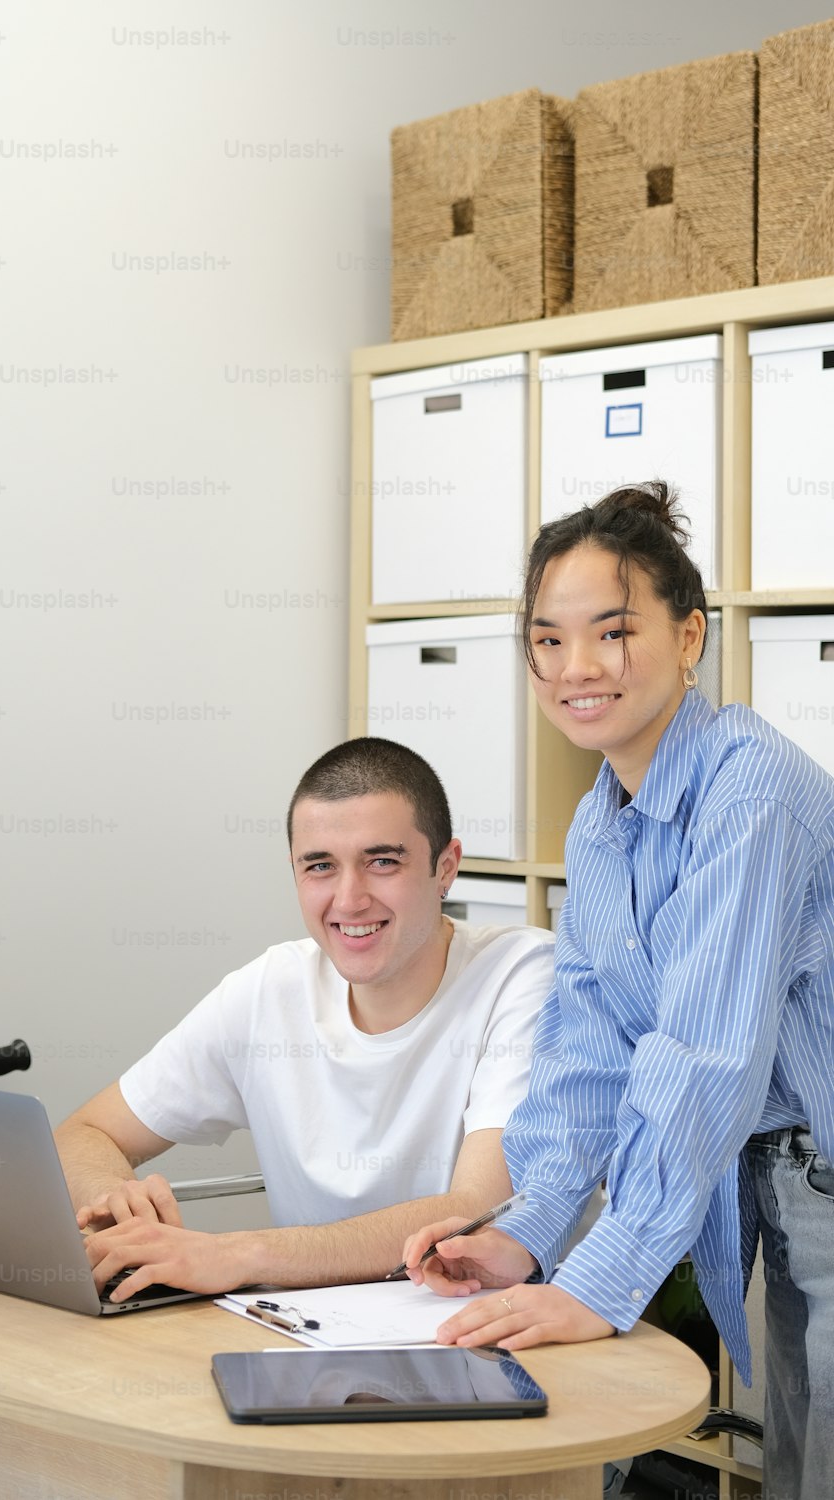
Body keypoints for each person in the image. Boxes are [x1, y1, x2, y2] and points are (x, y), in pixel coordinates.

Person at [402, 482, 834, 1500]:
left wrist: (596, 1279)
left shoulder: (750, 792)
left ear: (689, 638)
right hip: (769, 1181)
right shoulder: (600, 824)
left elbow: (703, 1055)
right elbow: (587, 1051)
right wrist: (521, 1230)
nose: (575, 668)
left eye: (611, 631)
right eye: (546, 641)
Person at [55, 735, 554, 1303]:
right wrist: (113, 1196)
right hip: (308, 1336)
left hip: (484, 1334)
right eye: (320, 867)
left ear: (446, 867)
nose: (349, 900)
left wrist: (239, 1255)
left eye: (382, 862)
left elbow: (475, 1213)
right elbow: (84, 1132)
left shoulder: (522, 974)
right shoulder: (270, 988)